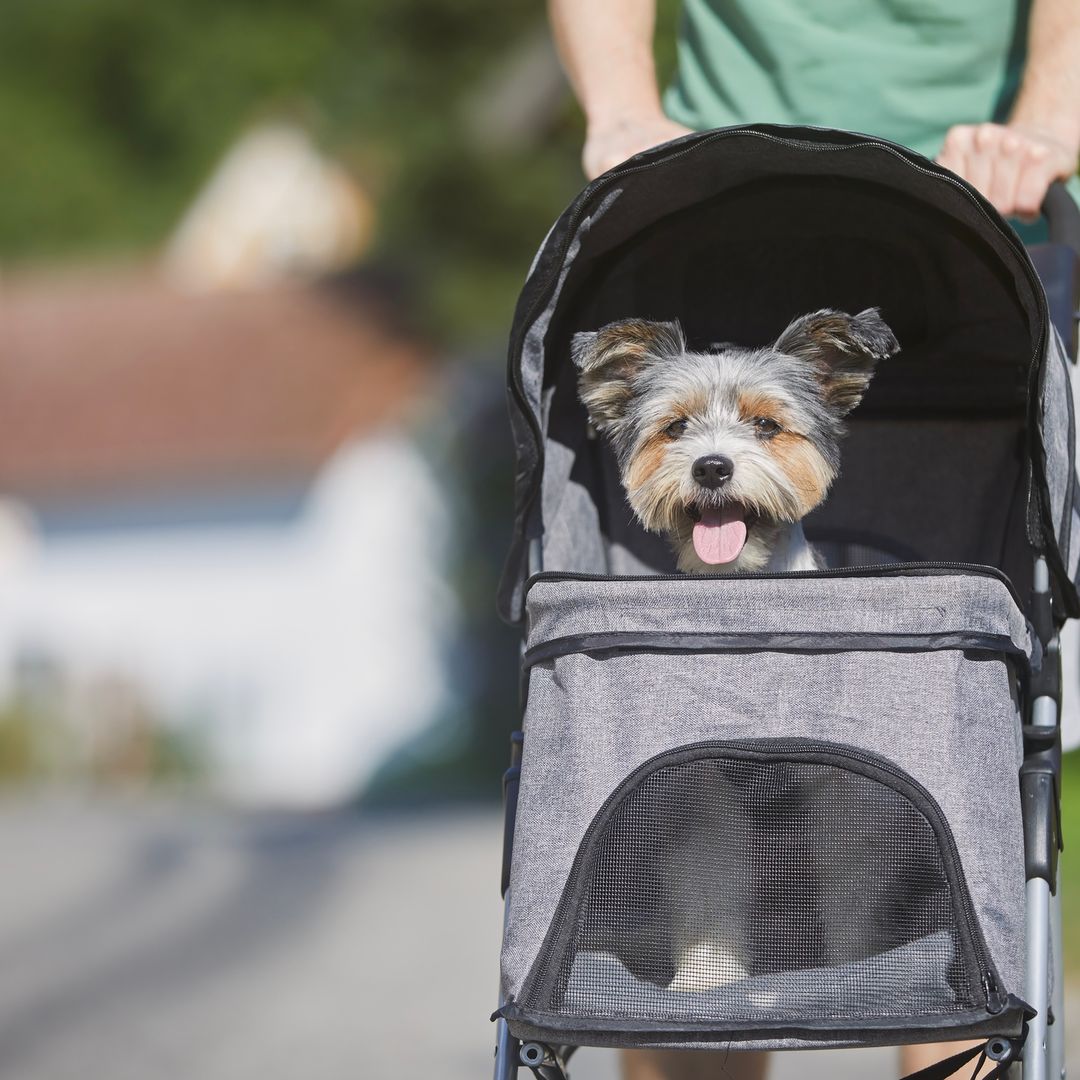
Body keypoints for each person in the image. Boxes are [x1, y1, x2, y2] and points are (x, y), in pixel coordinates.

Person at [545, 2, 1080, 1079]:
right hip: (695, 199)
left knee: (957, 831)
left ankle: (949, 998)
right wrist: (618, 110)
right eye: (677, 433)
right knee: (687, 928)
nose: (713, 458)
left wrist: (1048, 127)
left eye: (756, 430)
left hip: (982, 231)